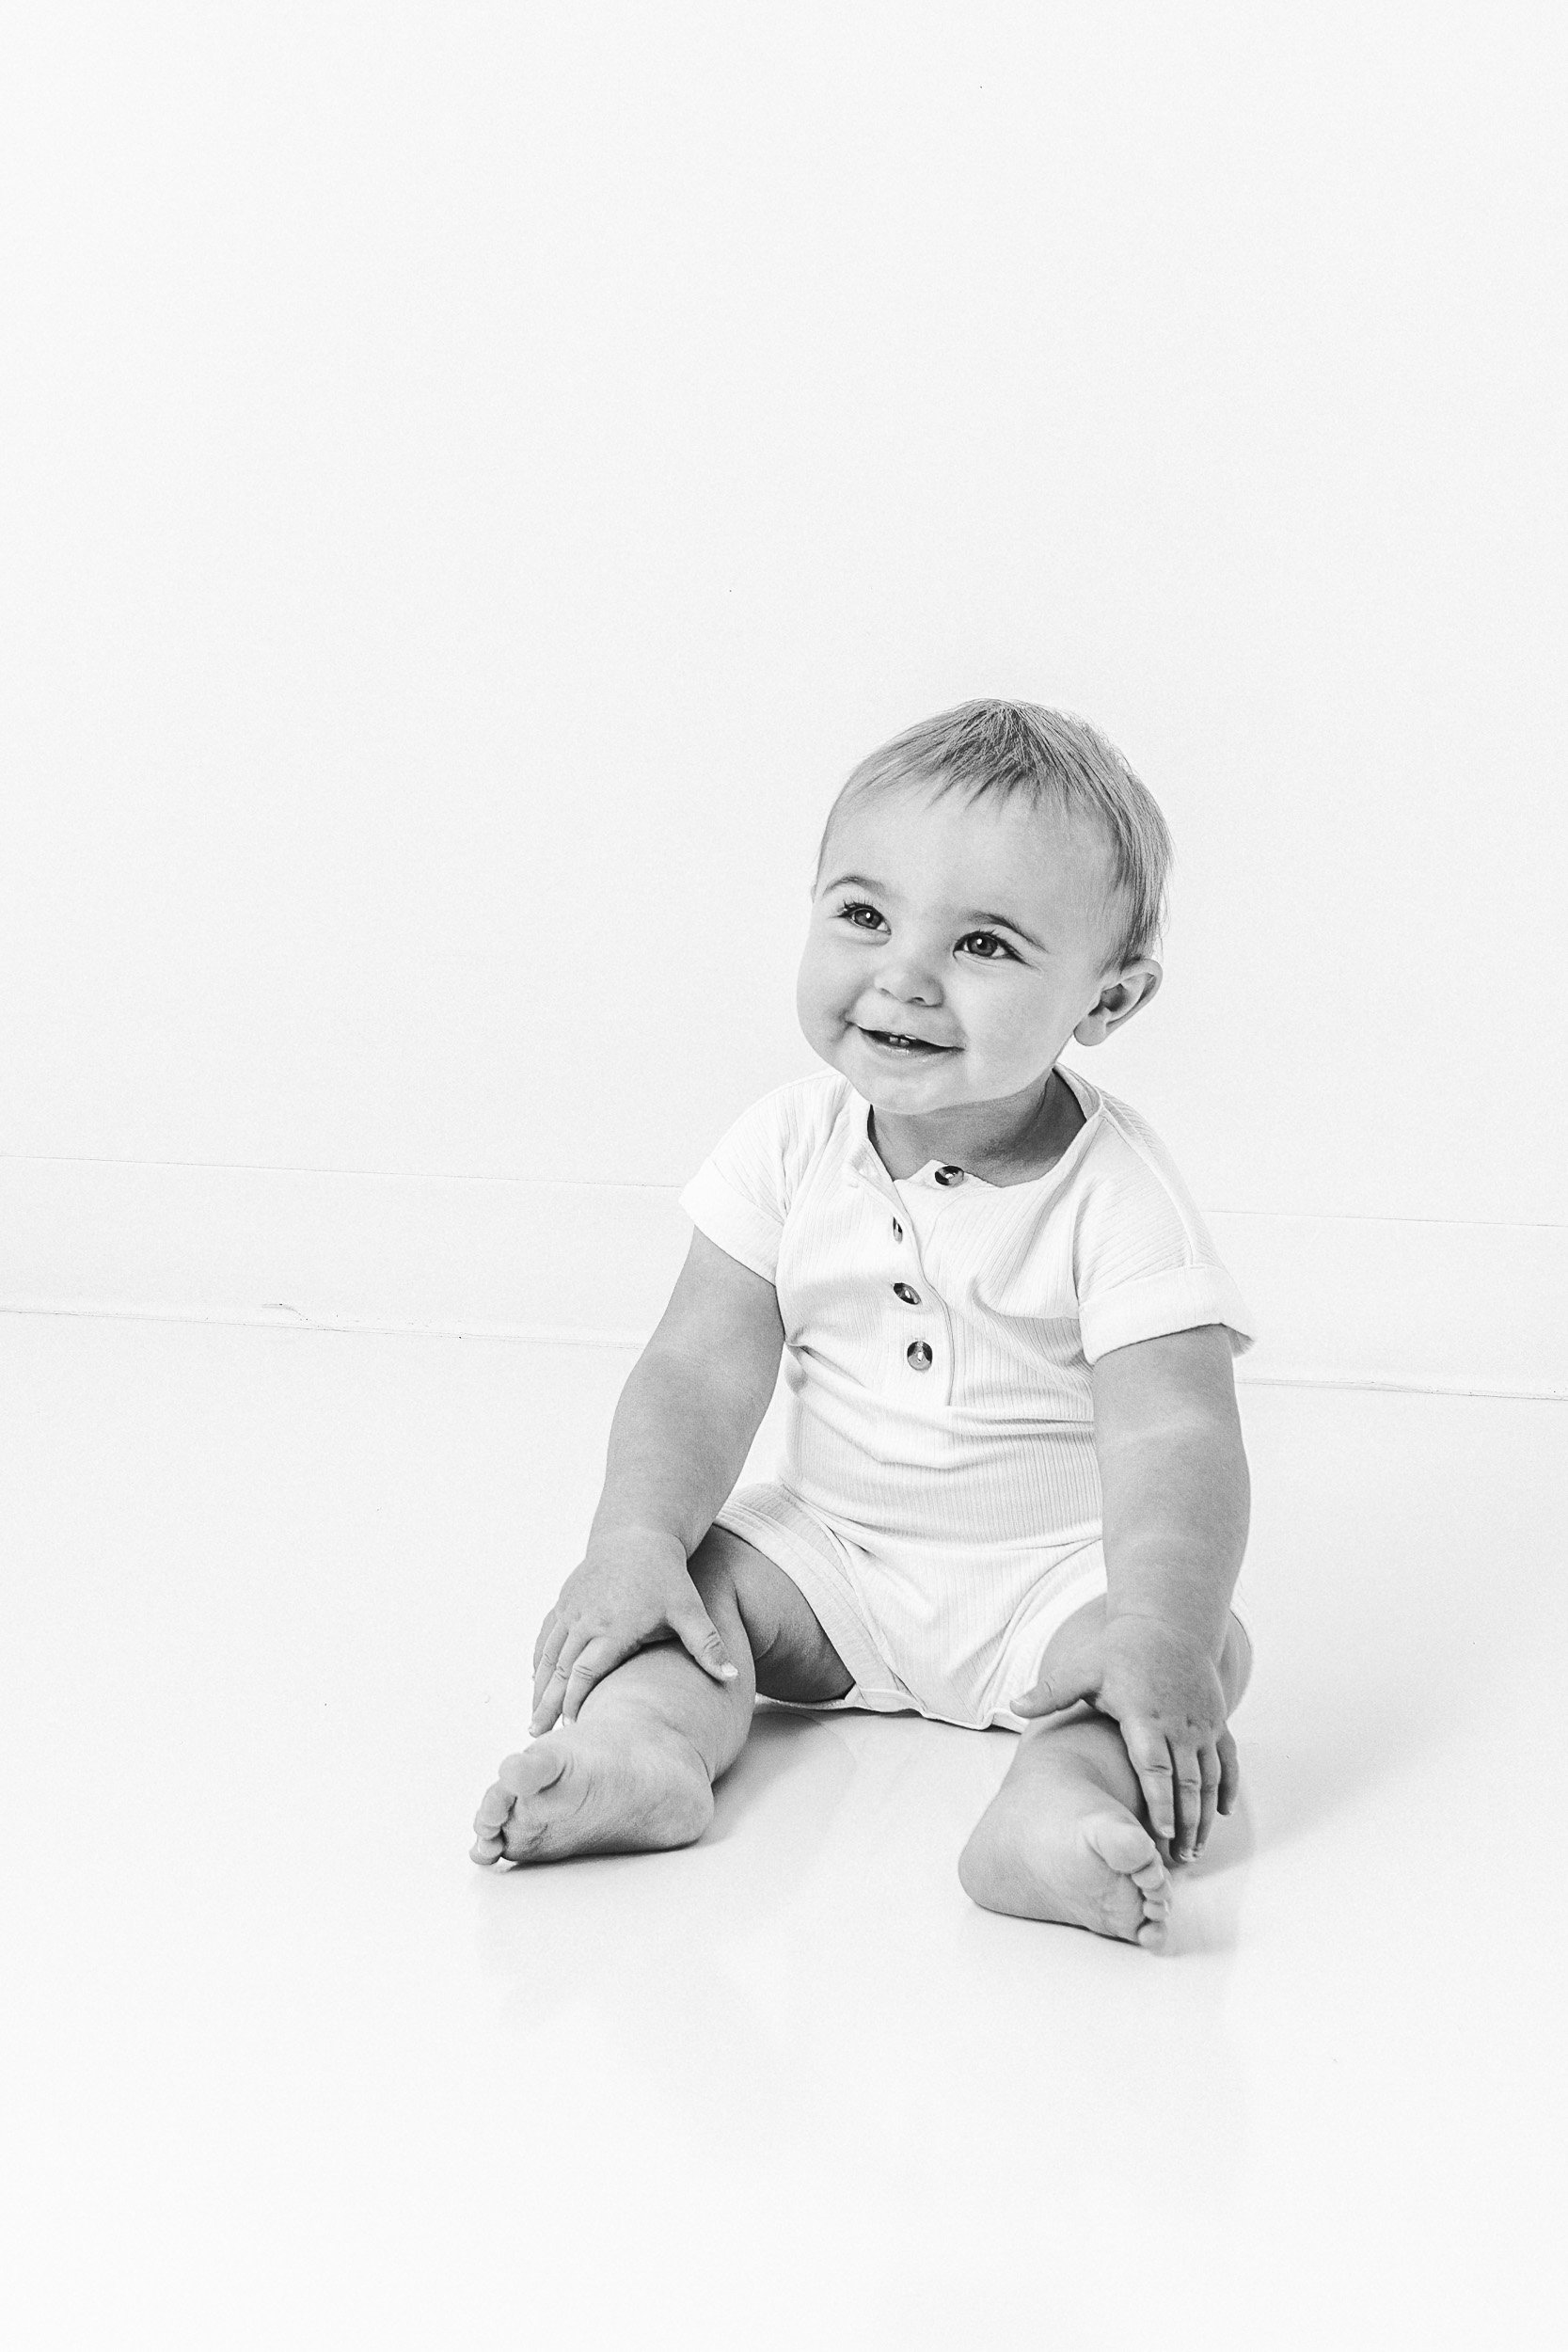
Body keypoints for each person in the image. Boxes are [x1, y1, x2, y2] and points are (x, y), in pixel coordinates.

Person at [470, 700, 1256, 1949]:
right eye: (864, 915)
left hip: (1051, 1583)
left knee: (1200, 1652)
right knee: (699, 1589)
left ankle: (1051, 1813)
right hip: (832, 1560)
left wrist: (1156, 1628)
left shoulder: (1118, 1198)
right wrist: (635, 1539)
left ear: (1108, 1000)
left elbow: (1177, 1437)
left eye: (985, 943)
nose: (904, 974)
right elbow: (697, 1363)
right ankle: (646, 1752)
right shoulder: (789, 1144)